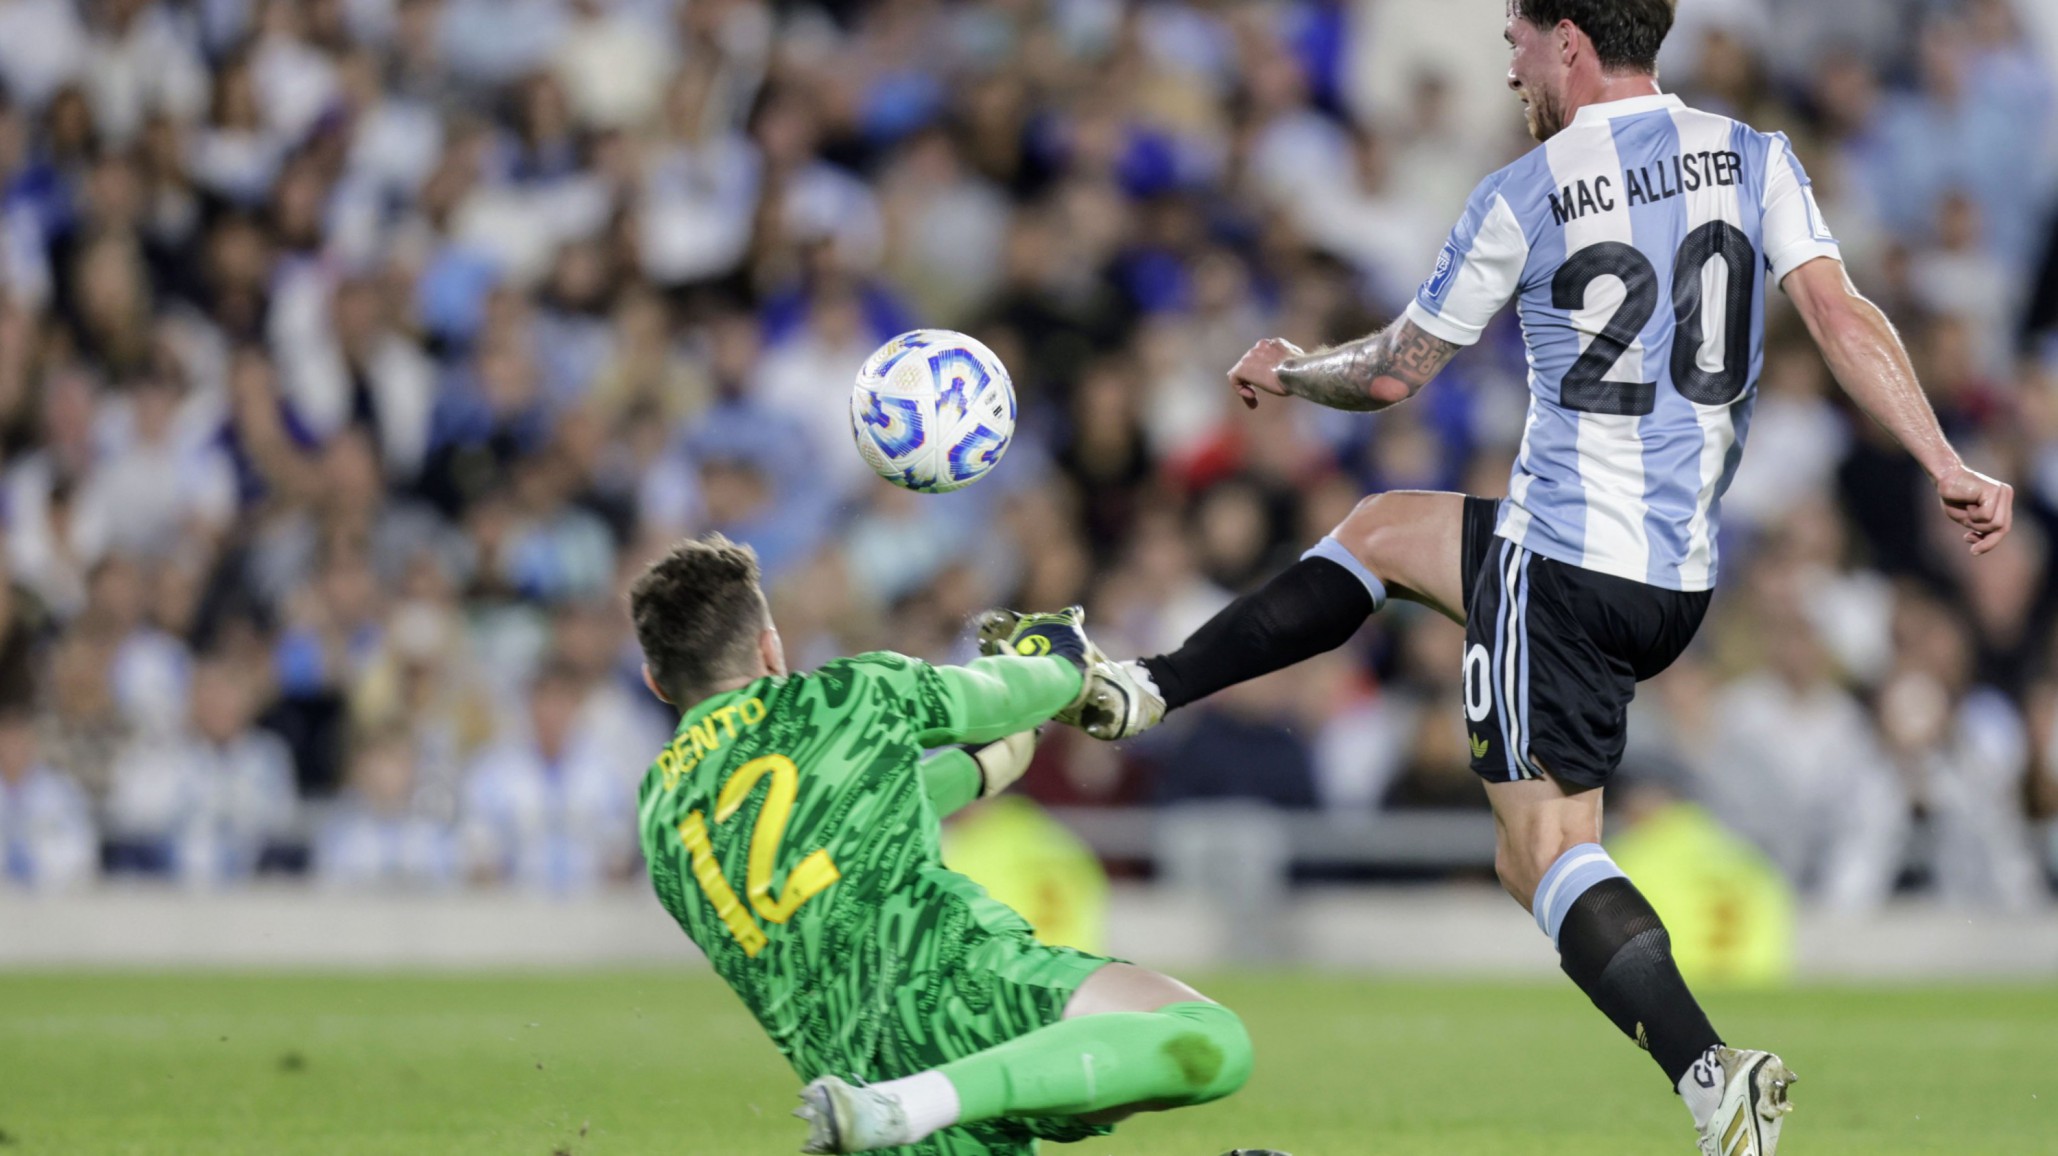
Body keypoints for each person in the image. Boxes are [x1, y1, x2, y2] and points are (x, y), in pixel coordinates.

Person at [987, 3, 2016, 1155]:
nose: (1511, 67)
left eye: (1517, 43)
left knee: (1541, 855)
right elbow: (1839, 310)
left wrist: (1294, 367)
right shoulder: (1753, 155)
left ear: (1567, 39)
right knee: (1383, 531)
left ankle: (1710, 1074)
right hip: (1674, 578)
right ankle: (1150, 687)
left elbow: (1393, 376)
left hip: (1560, 562)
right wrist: (1944, 457)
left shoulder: (1523, 193)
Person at [627, 535, 1255, 1156]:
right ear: (770, 648)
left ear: (658, 683)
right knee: (1210, 1039)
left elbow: (831, 835)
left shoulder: (661, 812)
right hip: (956, 986)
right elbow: (1017, 691)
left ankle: (901, 1104)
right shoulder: (845, 694)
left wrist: (977, 773)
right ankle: (913, 1104)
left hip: (852, 1072)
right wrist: (1060, 651)